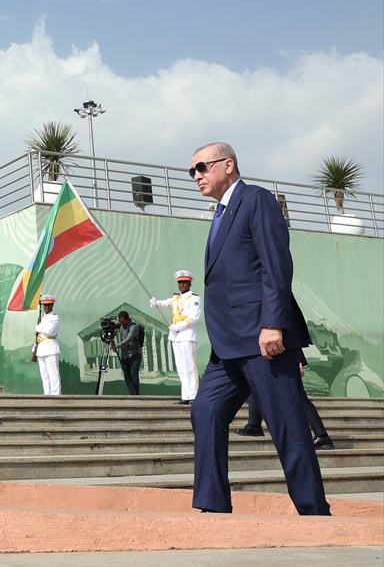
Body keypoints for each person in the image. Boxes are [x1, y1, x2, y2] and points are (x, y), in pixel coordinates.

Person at [188, 142, 328, 516]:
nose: (197, 176)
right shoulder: (220, 214)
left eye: (202, 167)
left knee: (288, 427)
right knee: (205, 410)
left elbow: (276, 266)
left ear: (228, 165)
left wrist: (272, 324)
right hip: (227, 346)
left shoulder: (256, 200)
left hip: (261, 338)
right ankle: (212, 506)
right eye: (192, 171)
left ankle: (315, 514)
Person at [235, 362, 334, 450]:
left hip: (285, 359)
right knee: (255, 384)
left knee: (298, 396)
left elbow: (293, 340)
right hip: (267, 359)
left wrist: (298, 360)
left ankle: (322, 436)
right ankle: (254, 425)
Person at [151, 270, 201, 404]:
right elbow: (166, 303)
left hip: (186, 335)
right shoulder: (176, 298)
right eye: (180, 282)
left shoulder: (194, 298)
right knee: (181, 367)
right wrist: (156, 303)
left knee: (190, 367)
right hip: (176, 337)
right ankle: (186, 395)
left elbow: (194, 318)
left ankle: (194, 396)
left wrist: (178, 327)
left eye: (185, 282)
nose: (182, 284)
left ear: (190, 283)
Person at [31, 295, 60, 395]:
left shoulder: (54, 317)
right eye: (45, 305)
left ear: (52, 305)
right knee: (44, 375)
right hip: (41, 348)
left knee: (53, 374)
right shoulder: (42, 318)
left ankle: (55, 394)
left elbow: (49, 331)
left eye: (49, 305)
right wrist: (35, 346)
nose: (47, 307)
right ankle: (47, 394)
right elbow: (39, 335)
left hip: (50, 346)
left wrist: (38, 327)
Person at [110, 311, 144, 396]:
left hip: (134, 355)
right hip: (125, 356)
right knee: (127, 376)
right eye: (120, 322)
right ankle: (131, 394)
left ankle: (136, 395)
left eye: (123, 322)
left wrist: (116, 346)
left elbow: (128, 340)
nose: (121, 324)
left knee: (133, 375)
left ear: (127, 319)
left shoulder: (133, 327)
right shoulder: (121, 324)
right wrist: (109, 323)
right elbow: (113, 325)